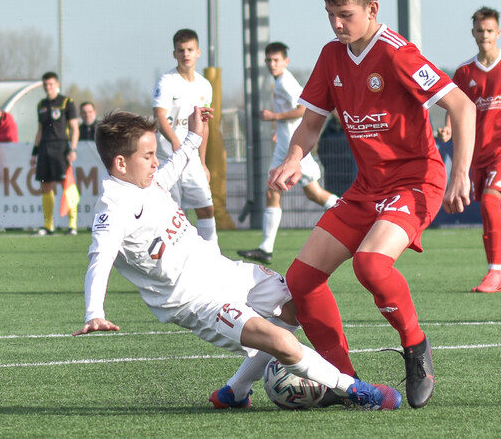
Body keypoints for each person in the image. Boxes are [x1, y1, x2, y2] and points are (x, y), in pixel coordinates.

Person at [73, 106, 400, 411]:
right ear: (120, 163)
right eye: (147, 156)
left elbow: (178, 160)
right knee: (281, 342)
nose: (156, 161)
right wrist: (94, 312)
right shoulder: (112, 212)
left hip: (223, 272)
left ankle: (237, 390)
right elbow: (99, 259)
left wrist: (194, 134)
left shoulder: (148, 182)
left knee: (295, 303)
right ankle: (356, 390)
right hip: (197, 302)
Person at [269, 0, 476, 410]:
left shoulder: (398, 53)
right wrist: (292, 158)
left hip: (416, 181)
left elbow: (461, 106)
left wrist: (461, 172)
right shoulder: (331, 56)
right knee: (301, 281)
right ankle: (343, 381)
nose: (337, 24)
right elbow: (310, 125)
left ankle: (416, 348)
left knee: (371, 265)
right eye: (330, 15)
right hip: (368, 188)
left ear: (372, 8)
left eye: (345, 14)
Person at [443, 7, 501, 294]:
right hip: (476, 150)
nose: (485, 35)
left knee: (491, 201)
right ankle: (496, 274)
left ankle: (495, 272)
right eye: (480, 30)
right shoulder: (465, 71)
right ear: (474, 33)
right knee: (484, 209)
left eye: (490, 30)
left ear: (498, 33)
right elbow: (453, 103)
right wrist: (448, 127)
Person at [238, 42, 340, 265]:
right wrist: (279, 130)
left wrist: (274, 117)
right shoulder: (279, 82)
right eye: (269, 60)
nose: (272, 64)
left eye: (276, 60)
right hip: (285, 145)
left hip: (295, 149)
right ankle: (265, 248)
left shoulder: (286, 82)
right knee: (274, 190)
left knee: (314, 193)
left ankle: (355, 219)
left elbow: (303, 109)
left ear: (286, 61)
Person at [153, 28, 218, 244]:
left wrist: (203, 162)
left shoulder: (204, 85)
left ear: (198, 52)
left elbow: (204, 126)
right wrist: (175, 142)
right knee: (173, 216)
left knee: (206, 208)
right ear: (175, 54)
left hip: (192, 161)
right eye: (181, 50)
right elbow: (159, 116)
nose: (186, 54)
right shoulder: (166, 81)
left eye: (190, 49)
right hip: (168, 159)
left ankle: (213, 259)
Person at [30, 71, 79, 235]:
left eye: (51, 84)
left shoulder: (66, 102)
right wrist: (34, 152)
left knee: (67, 184)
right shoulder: (41, 104)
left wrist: (72, 149)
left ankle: (72, 225)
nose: (48, 87)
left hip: (61, 147)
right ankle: (48, 226)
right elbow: (39, 130)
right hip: (45, 147)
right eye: (45, 85)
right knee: (45, 185)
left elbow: (75, 128)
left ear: (57, 85)